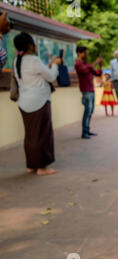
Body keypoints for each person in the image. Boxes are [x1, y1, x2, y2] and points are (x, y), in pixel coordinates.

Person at [13, 32, 61, 176]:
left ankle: (31, 165)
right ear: (29, 45)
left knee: (31, 135)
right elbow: (51, 76)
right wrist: (55, 65)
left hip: (24, 103)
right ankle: (41, 167)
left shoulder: (17, 61)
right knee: (43, 134)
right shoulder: (34, 60)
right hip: (40, 101)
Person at [75, 46, 102, 139]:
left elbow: (97, 73)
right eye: (84, 52)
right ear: (79, 53)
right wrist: (95, 63)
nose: (86, 54)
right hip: (86, 90)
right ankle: (84, 132)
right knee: (87, 111)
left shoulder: (87, 64)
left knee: (90, 111)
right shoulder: (78, 64)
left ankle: (87, 130)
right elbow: (85, 70)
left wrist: (100, 65)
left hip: (91, 89)